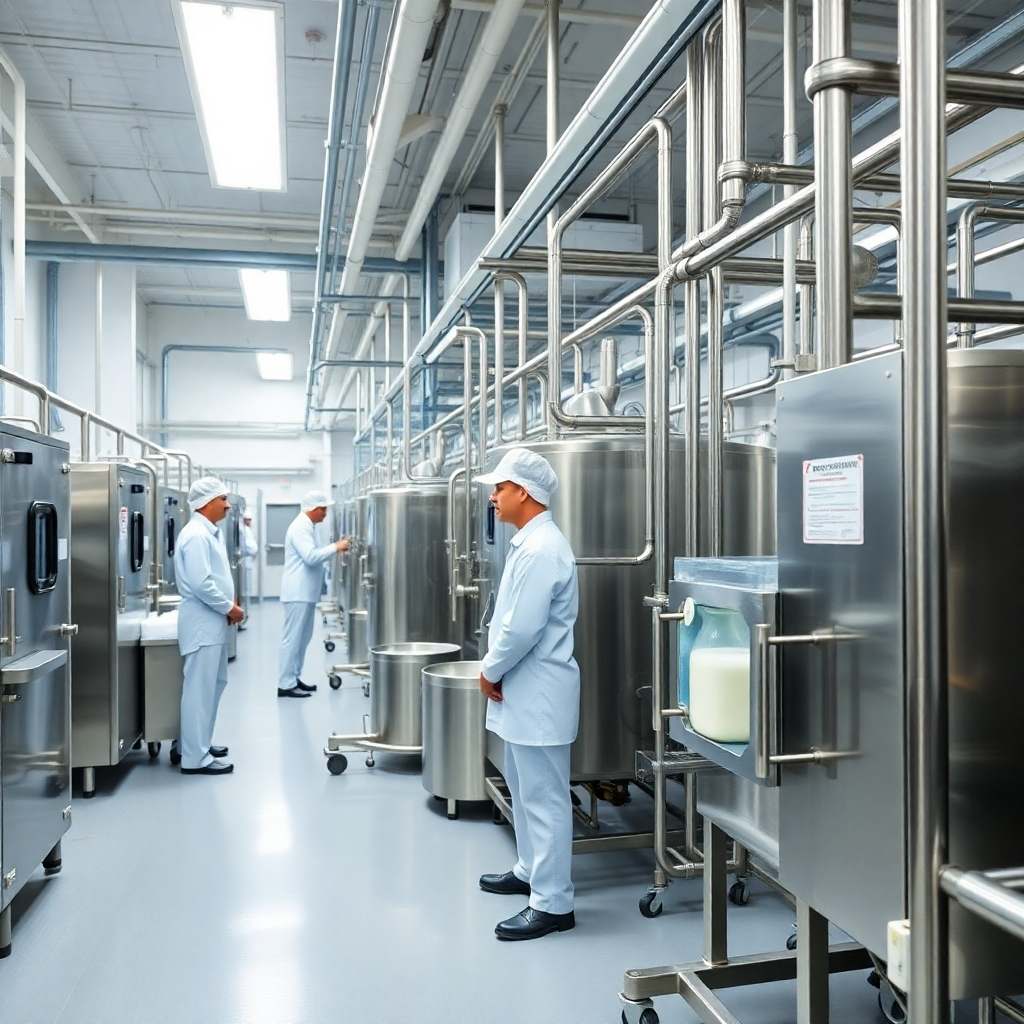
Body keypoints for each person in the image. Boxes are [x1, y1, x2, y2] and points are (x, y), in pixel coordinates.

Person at [474, 448, 580, 941]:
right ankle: (530, 870)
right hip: (524, 690)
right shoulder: (529, 542)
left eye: (499, 488)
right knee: (522, 786)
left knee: (544, 798)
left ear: (523, 491)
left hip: (537, 692)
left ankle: (553, 903)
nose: (493, 497)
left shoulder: (541, 550)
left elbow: (521, 629)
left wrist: (489, 670)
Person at [173, 477, 244, 776]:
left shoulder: (209, 533)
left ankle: (198, 744)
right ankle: (194, 757)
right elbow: (202, 584)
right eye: (222, 499)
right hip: (202, 623)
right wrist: (229, 607)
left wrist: (228, 603)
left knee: (213, 685)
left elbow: (215, 577)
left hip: (212, 621)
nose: (227, 505)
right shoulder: (196, 536)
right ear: (206, 503)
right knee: (199, 691)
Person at [278, 490, 348, 698]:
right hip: (297, 592)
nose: (325, 514)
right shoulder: (300, 527)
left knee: (302, 639)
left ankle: (294, 679)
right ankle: (285, 684)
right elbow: (310, 557)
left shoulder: (309, 526)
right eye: (323, 509)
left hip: (305, 592)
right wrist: (336, 547)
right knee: (292, 639)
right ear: (314, 509)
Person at [241, 513, 258, 610]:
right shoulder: (244, 530)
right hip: (245, 560)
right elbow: (250, 547)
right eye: (248, 519)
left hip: (247, 560)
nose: (250, 522)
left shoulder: (246, 529)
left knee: (247, 586)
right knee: (245, 587)